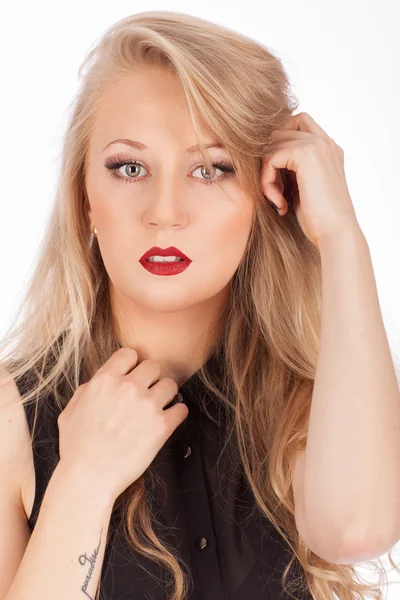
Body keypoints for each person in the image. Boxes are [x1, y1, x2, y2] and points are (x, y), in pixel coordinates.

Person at [0, 10, 398, 600]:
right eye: (129, 167)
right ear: (84, 197)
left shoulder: (307, 403)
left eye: (210, 169)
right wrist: (83, 478)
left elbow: (356, 530)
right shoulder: (13, 414)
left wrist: (341, 236)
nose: (166, 211)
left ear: (270, 192)